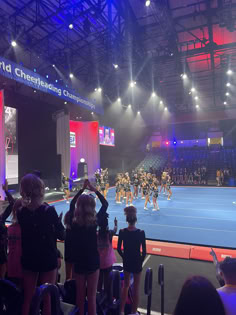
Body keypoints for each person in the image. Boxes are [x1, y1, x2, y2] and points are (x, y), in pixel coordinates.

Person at [17, 174, 65, 315]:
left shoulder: (21, 212)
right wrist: (58, 222)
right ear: (40, 190)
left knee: (28, 297)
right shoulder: (48, 210)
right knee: (47, 297)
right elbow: (61, 235)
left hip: (29, 258)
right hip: (47, 258)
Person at [70, 179, 108, 315]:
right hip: (92, 262)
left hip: (79, 262)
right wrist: (93, 189)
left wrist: (82, 190)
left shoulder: (74, 223)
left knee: (80, 296)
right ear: (92, 206)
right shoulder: (95, 221)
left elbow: (72, 203)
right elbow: (105, 203)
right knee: (91, 298)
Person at [117, 206, 146, 315]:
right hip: (137, 261)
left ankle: (121, 310)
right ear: (135, 219)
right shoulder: (141, 232)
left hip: (128, 260)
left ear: (127, 219)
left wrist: (124, 257)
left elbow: (119, 249)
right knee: (136, 288)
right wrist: (141, 260)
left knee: (126, 285)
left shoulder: (122, 231)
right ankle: (133, 312)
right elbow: (144, 251)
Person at [97, 217, 117, 294]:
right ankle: (107, 297)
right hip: (108, 262)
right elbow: (115, 230)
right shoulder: (109, 233)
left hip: (99, 262)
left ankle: (98, 297)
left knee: (99, 281)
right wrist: (115, 224)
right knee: (107, 281)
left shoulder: (96, 234)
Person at [0, 181, 15, 278]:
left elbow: (12, 203)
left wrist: (6, 191)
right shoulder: (1, 219)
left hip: (3, 255)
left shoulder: (1, 219)